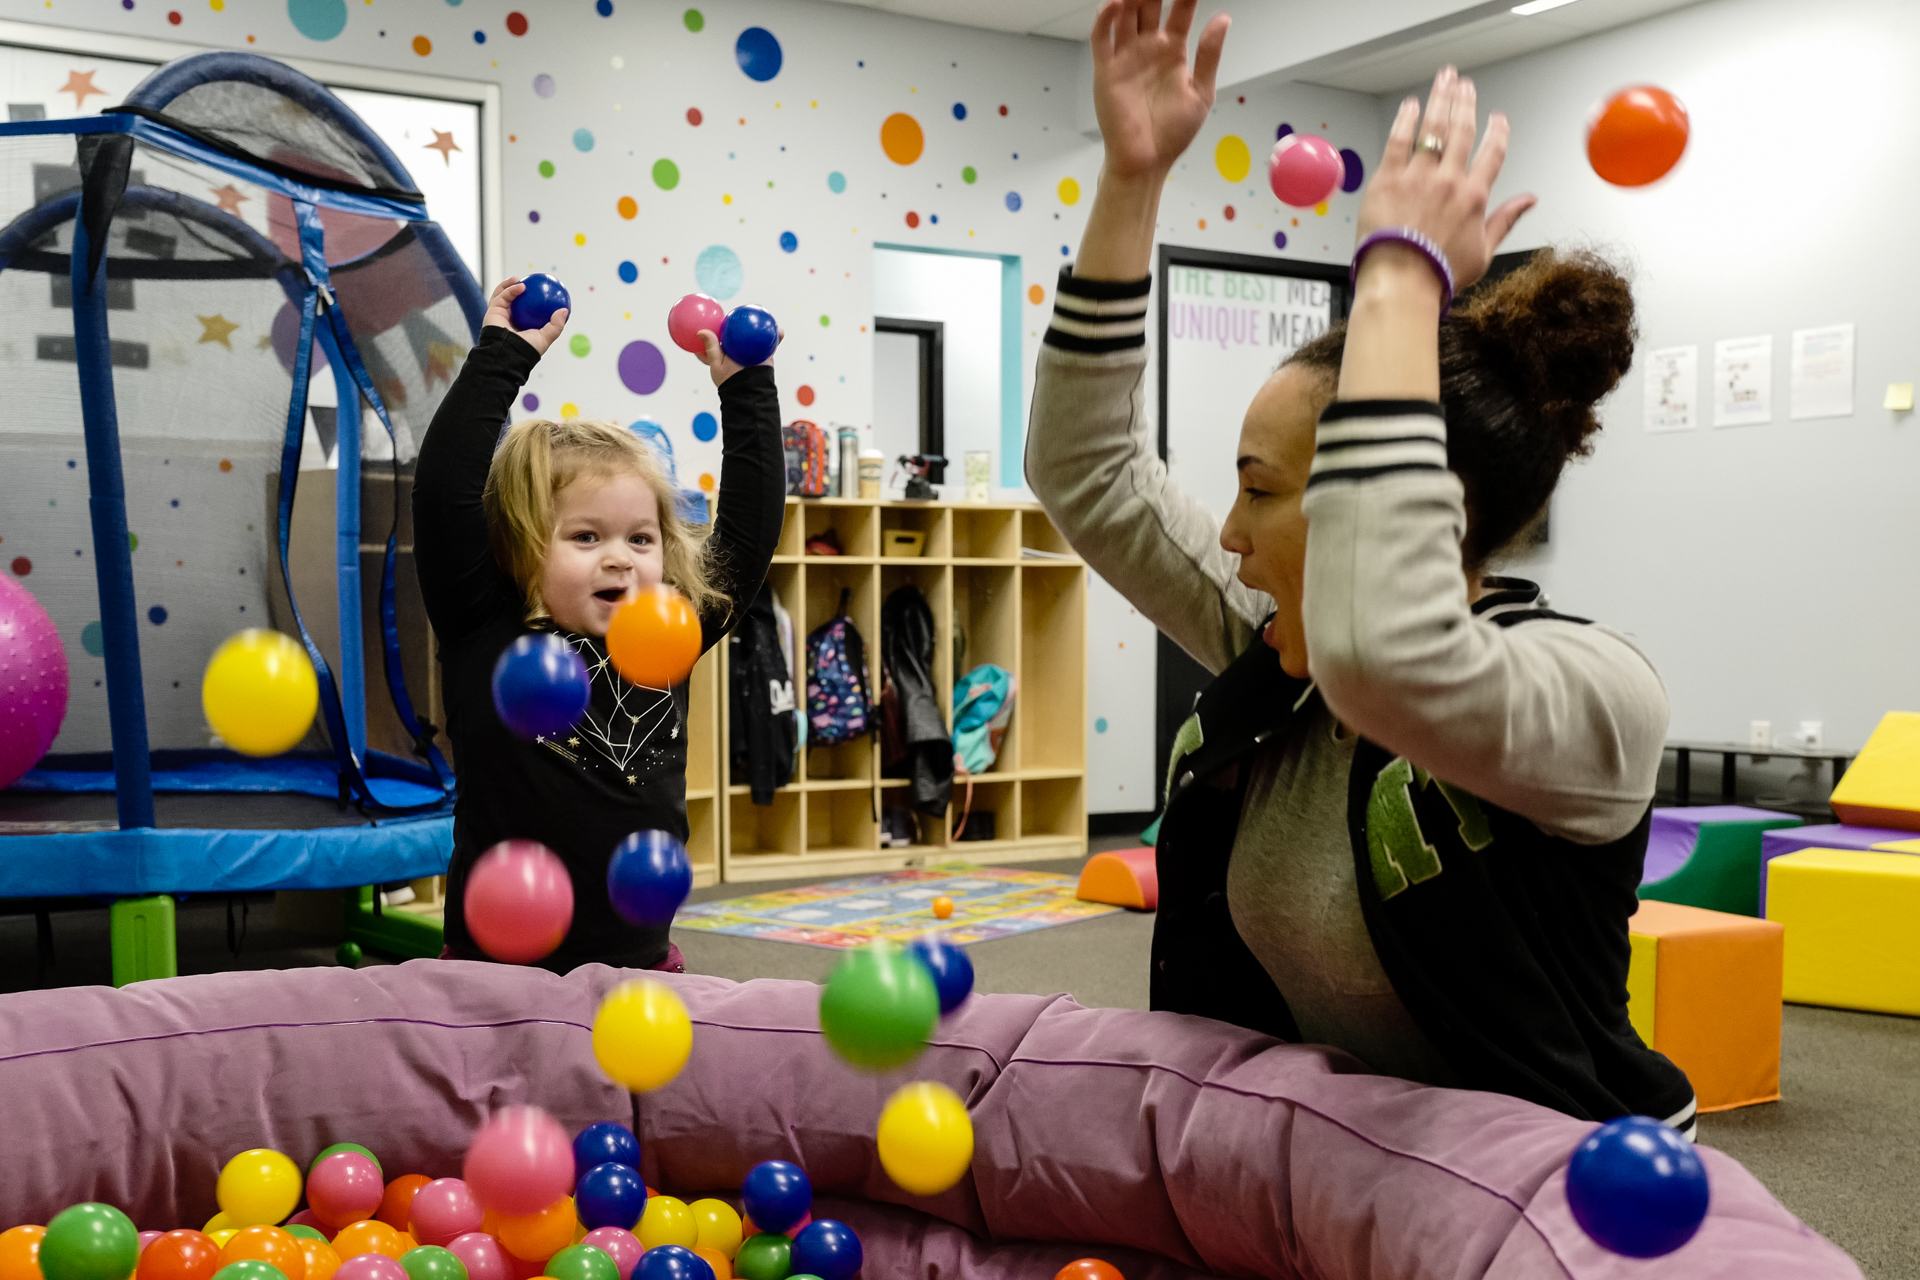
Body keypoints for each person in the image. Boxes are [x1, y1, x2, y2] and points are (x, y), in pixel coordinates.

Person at [1027, 0, 1697, 1135]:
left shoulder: (1593, 695)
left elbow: (1390, 653)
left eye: (1265, 487)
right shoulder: (1280, 649)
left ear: (1400, 496)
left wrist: (1400, 274)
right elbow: (1084, 468)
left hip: (1561, 1202)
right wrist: (1133, 177)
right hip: (1347, 1179)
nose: (1229, 535)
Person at [415, 277, 785, 973]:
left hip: (638, 962)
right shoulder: (483, 625)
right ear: (523, 545)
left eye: (640, 540)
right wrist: (503, 355)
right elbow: (442, 494)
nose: (620, 557)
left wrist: (747, 389)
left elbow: (744, 541)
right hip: (493, 969)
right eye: (586, 537)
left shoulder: (666, 631)